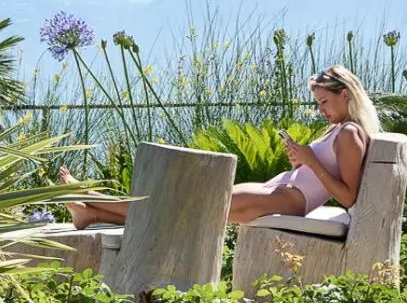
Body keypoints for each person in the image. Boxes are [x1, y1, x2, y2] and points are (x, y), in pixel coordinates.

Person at [59, 64, 380, 229]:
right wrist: (301, 161)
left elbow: (349, 197)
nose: (321, 109)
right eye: (318, 103)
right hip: (279, 190)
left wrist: (310, 162)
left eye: (324, 101)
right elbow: (316, 172)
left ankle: (90, 199)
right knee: (186, 212)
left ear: (345, 95)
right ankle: (90, 214)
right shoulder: (337, 129)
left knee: (183, 206)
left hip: (287, 200)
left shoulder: (351, 133)